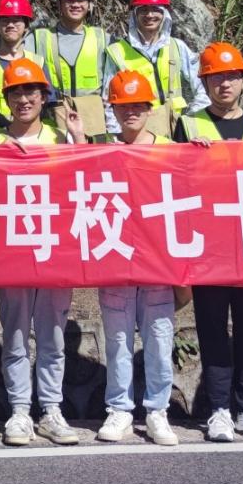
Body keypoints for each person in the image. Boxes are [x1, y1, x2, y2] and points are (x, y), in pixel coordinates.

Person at [175, 41, 243, 443]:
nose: (224, 83)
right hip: (209, 243)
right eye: (216, 76)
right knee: (212, 326)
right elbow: (174, 178)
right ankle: (219, 409)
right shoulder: (189, 126)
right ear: (204, 81)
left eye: (231, 76)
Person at [0, 57, 83, 447]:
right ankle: (19, 411)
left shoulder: (61, 141)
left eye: (31, 91)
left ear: (44, 96)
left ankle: (51, 409)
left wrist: (78, 138)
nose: (24, 98)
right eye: (16, 92)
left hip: (54, 251)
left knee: (52, 337)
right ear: (5, 98)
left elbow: (88, 179)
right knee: (14, 335)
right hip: (11, 252)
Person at [93, 71, 179, 447]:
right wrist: (78, 140)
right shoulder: (101, 150)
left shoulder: (171, 150)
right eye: (123, 105)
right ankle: (120, 409)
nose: (131, 111)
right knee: (117, 339)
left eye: (137, 105)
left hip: (158, 261)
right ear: (113, 108)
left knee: (160, 338)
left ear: (149, 108)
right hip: (116, 258)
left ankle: (157, 410)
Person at [110, 0, 205, 122]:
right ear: (135, 14)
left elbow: (201, 85)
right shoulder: (116, 51)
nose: (149, 15)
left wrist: (192, 120)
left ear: (164, 13)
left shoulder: (177, 47)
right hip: (138, 129)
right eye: (143, 9)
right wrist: (118, 134)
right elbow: (108, 100)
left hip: (176, 128)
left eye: (155, 9)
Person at [43, 0, 120, 134]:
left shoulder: (104, 39)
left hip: (94, 118)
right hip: (54, 118)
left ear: (90, 3)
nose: (76, 4)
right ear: (59, 3)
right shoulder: (39, 39)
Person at [0, 0, 44, 127]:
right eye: (5, 20)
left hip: (30, 134)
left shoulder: (37, 62)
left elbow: (48, 99)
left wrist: (22, 126)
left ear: (26, 25)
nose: (10, 25)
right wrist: (7, 126)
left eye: (16, 20)